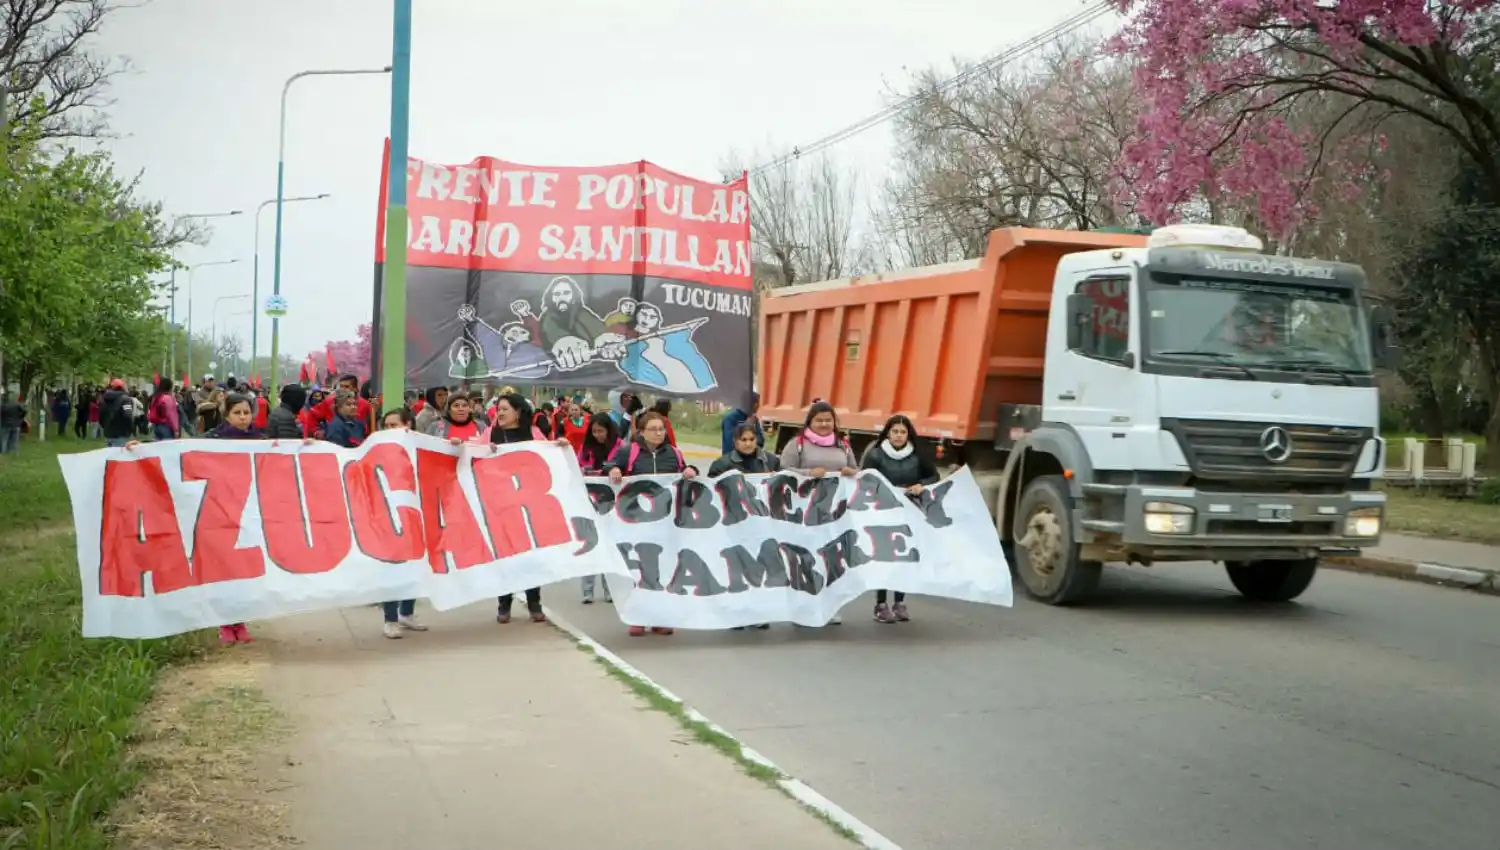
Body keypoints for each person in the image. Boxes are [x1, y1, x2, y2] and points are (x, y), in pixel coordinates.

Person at [604, 410, 697, 637]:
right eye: (653, 429)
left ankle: (661, 618)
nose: (658, 433)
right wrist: (614, 470)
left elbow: (688, 472)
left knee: (664, 570)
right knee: (641, 570)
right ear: (641, 432)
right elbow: (609, 465)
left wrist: (690, 470)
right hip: (637, 523)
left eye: (661, 429)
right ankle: (639, 618)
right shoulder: (630, 452)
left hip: (666, 523)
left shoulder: (674, 454)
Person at [778, 400, 858, 626]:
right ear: (810, 422)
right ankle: (801, 606)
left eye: (828, 420)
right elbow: (783, 468)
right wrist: (808, 473)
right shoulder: (798, 444)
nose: (824, 424)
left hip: (835, 512)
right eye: (819, 420)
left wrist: (852, 472)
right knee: (803, 557)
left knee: (832, 557)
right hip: (802, 511)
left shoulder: (843, 445)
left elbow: (856, 469)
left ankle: (830, 606)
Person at [860, 414, 940, 624]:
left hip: (909, 511)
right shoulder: (876, 455)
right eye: (894, 431)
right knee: (885, 556)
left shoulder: (917, 455)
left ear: (908, 435)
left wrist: (921, 484)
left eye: (902, 432)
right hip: (882, 512)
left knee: (904, 556)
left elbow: (934, 476)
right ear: (888, 432)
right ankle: (880, 604)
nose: (898, 436)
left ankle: (899, 602)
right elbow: (865, 480)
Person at [486, 391, 553, 623]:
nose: (500, 413)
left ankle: (534, 602)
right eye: (498, 409)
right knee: (505, 556)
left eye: (505, 409)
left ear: (518, 412)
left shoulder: (533, 434)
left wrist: (561, 447)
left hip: (529, 506)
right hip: (501, 507)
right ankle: (504, 604)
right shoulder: (491, 434)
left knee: (530, 556)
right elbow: (470, 453)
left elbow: (550, 456)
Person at [709, 422, 778, 631]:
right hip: (734, 522)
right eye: (743, 440)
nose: (748, 444)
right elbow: (712, 492)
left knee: (760, 566)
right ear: (735, 441)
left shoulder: (770, 461)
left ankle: (759, 611)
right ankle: (736, 612)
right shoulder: (721, 464)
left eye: (751, 439)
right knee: (736, 568)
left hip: (762, 521)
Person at [205, 392, 263, 644]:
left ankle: (241, 621)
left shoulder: (260, 441)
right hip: (219, 512)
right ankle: (225, 623)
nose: (242, 418)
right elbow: (175, 452)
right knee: (224, 570)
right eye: (237, 413)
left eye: (246, 412)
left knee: (244, 573)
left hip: (248, 513)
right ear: (226, 415)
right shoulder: (212, 440)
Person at [376, 406, 430, 639]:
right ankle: (390, 618)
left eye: (394, 425)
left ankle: (406, 613)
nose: (389, 430)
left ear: (408, 425)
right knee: (392, 567)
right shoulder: (376, 450)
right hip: (388, 516)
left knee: (414, 565)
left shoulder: (422, 447)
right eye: (386, 426)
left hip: (416, 514)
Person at [577, 412, 622, 604]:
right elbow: (577, 466)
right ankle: (587, 591)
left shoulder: (620, 447)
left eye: (601, 431)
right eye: (594, 431)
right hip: (589, 502)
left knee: (609, 546)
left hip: (611, 503)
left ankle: (609, 589)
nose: (598, 435)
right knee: (590, 545)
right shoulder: (586, 448)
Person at [720, 391, 763, 455]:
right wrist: (747, 426)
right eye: (757, 403)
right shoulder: (730, 419)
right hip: (732, 460)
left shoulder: (753, 419)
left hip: (750, 459)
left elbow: (761, 441)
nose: (759, 406)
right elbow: (731, 442)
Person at [100, 379, 138, 448]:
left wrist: (105, 427)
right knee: (120, 457)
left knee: (110, 456)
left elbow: (101, 415)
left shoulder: (104, 399)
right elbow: (128, 416)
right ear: (123, 387)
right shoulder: (125, 399)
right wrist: (131, 430)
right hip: (121, 434)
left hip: (108, 433)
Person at [147, 377, 180, 441]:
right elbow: (171, 415)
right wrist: (176, 429)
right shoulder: (168, 398)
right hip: (166, 426)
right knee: (168, 448)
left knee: (159, 447)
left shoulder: (156, 397)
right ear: (169, 387)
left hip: (156, 426)